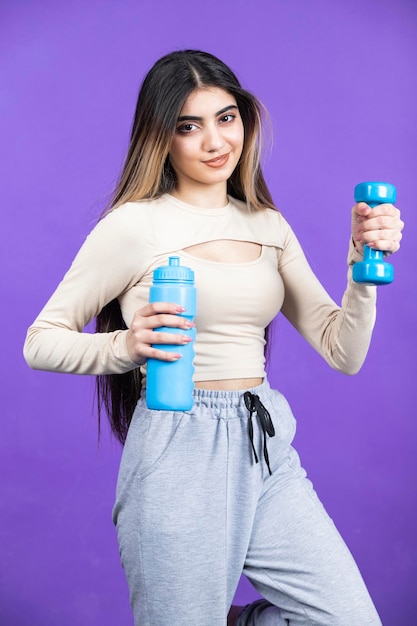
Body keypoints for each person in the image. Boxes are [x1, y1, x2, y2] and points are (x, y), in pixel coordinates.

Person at [24, 49, 404, 626]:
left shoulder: (266, 224)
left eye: (226, 118)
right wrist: (126, 347)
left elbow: (342, 350)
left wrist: (362, 268)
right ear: (162, 139)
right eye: (188, 126)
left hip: (263, 441)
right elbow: (40, 341)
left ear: (244, 120)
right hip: (178, 452)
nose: (215, 141)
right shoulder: (134, 224)